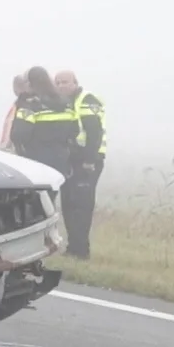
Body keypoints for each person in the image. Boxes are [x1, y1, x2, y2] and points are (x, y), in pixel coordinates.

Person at [55, 69, 106, 260]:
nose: (61, 86)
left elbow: (94, 132)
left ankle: (81, 251)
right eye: (58, 82)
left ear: (75, 82)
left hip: (88, 161)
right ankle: (72, 248)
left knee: (81, 206)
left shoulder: (86, 99)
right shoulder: (63, 102)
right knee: (68, 203)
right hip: (71, 161)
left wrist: (89, 160)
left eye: (65, 82)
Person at [10, 65, 80, 181]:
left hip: (36, 162)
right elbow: (74, 131)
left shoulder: (30, 105)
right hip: (60, 161)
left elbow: (19, 135)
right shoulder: (66, 104)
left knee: (36, 197)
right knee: (51, 195)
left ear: (29, 83)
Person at [0, 73, 28, 151]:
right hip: (7, 148)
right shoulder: (16, 104)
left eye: (19, 86)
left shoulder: (26, 105)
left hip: (15, 149)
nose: (15, 89)